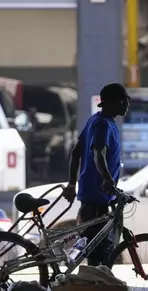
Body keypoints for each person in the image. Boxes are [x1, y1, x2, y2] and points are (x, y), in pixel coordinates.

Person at [61, 83, 129, 267]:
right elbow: (98, 152)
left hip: (96, 196)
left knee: (94, 247)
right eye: (123, 100)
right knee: (96, 251)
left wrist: (72, 184)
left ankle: (93, 284)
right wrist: (106, 179)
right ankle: (92, 287)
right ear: (112, 102)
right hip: (96, 197)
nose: (126, 104)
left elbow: (76, 152)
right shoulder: (102, 124)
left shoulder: (97, 120)